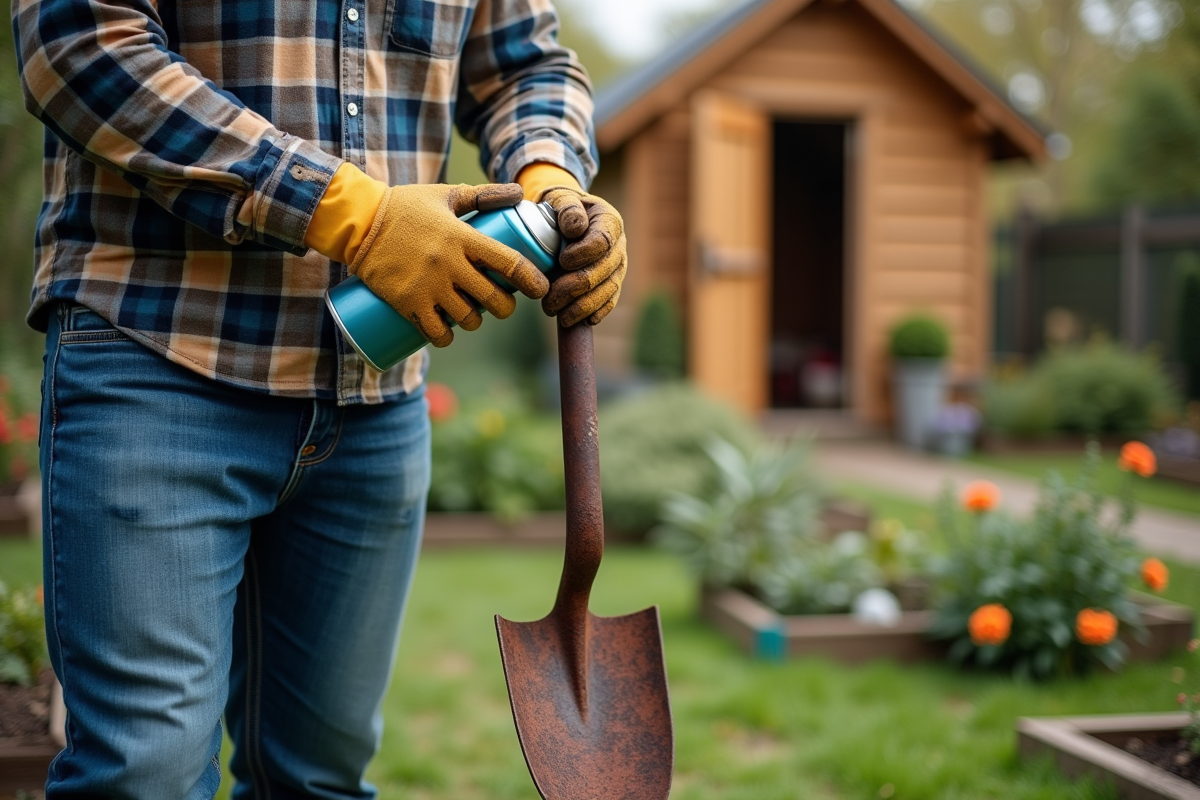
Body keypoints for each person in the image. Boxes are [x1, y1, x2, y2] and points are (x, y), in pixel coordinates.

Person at [12, 0, 626, 793]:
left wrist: (550, 177)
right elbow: (80, 44)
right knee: (144, 777)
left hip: (376, 392)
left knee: (321, 781)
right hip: (159, 354)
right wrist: (352, 214)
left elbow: (524, 65)